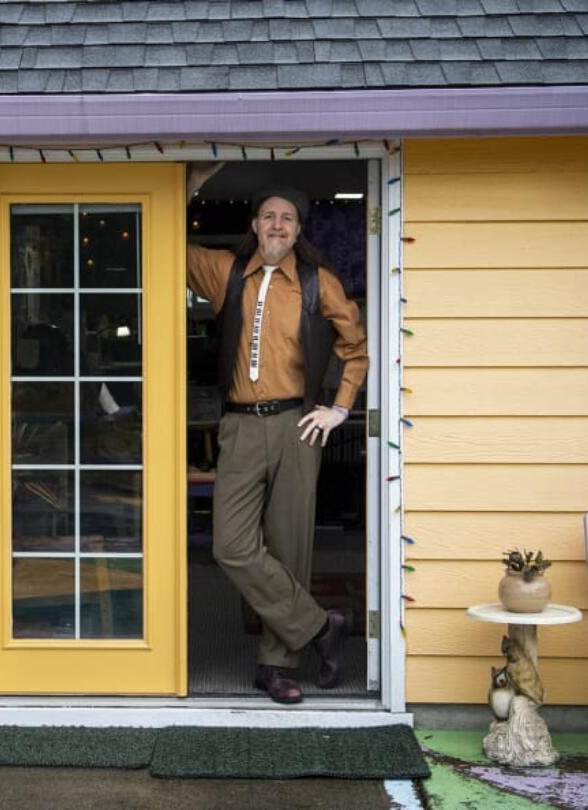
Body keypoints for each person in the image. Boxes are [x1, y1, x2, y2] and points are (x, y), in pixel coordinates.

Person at [186, 165, 369, 704]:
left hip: (297, 426)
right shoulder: (225, 271)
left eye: (287, 218)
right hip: (240, 426)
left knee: (289, 548)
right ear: (254, 223)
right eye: (269, 215)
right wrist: (189, 182)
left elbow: (354, 345)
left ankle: (276, 667)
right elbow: (163, 238)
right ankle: (320, 626)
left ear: (297, 230)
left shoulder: (317, 282)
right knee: (231, 545)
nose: (277, 224)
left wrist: (338, 408)